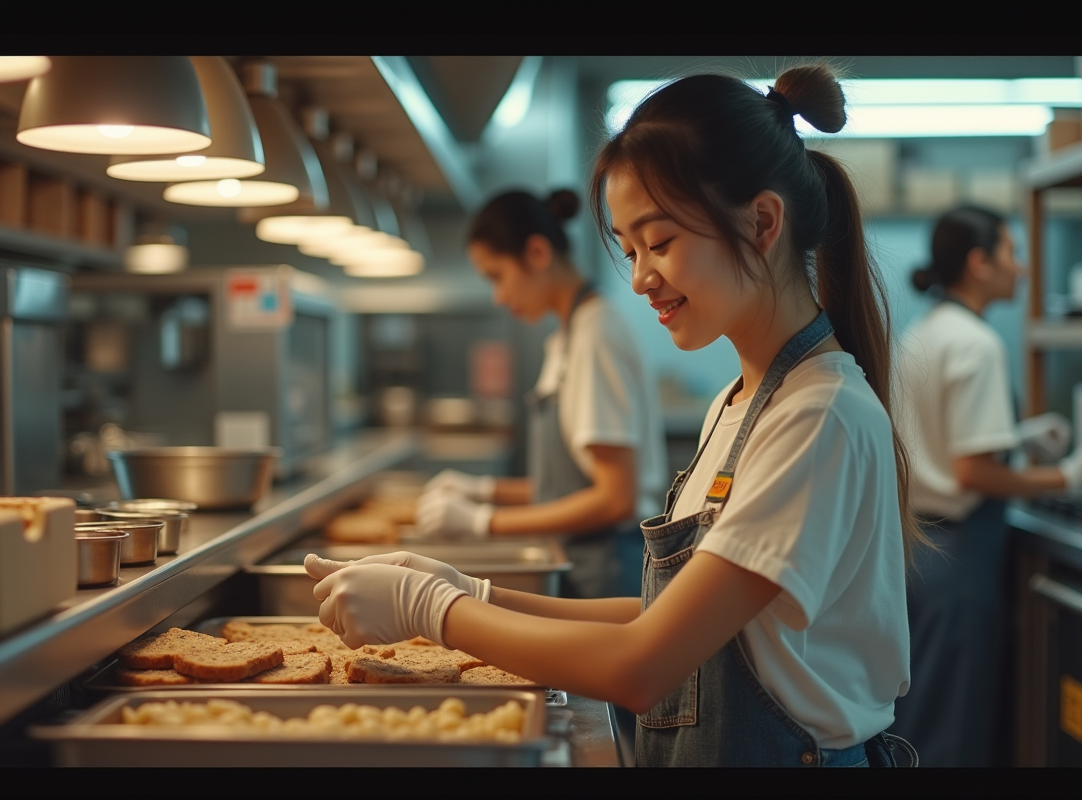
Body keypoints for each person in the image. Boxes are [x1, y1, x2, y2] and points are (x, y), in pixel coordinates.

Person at [305, 64, 922, 767]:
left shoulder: (819, 416)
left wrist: (433, 612)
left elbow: (640, 665)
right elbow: (667, 618)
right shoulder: (741, 402)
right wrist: (469, 589)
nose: (639, 278)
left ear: (761, 222)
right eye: (629, 250)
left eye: (659, 243)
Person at [888, 205, 1082, 766]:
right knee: (953, 728)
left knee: (921, 719)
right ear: (979, 263)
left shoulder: (924, 332)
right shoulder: (976, 344)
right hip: (960, 558)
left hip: (917, 549)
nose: (1023, 270)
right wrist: (1070, 474)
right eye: (1013, 254)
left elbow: (935, 445)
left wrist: (1013, 435)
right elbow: (972, 473)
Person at [415, 188, 666, 599]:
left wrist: (483, 521)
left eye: (497, 276)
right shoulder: (568, 337)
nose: (498, 296)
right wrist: (484, 490)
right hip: (580, 557)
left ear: (536, 253)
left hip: (605, 567)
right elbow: (567, 486)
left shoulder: (595, 334)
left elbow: (615, 498)